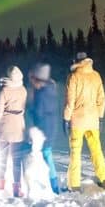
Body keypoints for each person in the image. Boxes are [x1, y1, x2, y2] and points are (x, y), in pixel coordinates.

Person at [63, 52, 105, 191]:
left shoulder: (73, 77)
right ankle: (104, 179)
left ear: (77, 61)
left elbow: (70, 102)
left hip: (77, 121)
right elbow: (101, 99)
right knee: (97, 150)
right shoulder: (96, 75)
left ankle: (74, 184)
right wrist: (100, 117)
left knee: (75, 152)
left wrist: (66, 118)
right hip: (93, 120)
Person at [0, 65, 27, 197]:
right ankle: (17, 188)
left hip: (4, 127)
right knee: (17, 160)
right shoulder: (23, 89)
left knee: (2, 157)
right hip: (18, 127)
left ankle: (0, 184)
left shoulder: (3, 90)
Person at [27, 62, 62, 194]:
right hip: (51, 128)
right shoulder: (51, 89)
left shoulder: (41, 93)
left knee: (45, 156)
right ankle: (52, 184)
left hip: (43, 131)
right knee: (47, 156)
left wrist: (29, 108)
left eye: (34, 79)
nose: (32, 83)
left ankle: (52, 186)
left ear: (39, 79)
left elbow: (38, 112)